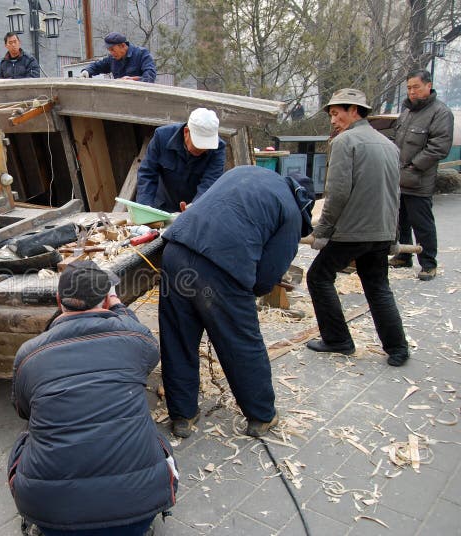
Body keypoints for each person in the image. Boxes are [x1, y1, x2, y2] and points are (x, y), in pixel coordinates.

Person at [8, 260, 177, 535]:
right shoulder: (135, 337)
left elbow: (23, 410)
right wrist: (119, 307)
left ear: (58, 299)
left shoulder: (28, 354)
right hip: (139, 515)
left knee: (25, 437)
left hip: (52, 520)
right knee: (154, 437)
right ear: (105, 300)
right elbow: (146, 351)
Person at [160, 166, 314, 439]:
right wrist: (245, 292)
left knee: (178, 338)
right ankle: (261, 415)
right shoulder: (291, 212)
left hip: (176, 249)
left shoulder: (246, 171)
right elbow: (267, 278)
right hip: (222, 267)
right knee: (241, 343)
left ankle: (182, 415)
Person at [306, 88, 410, 367]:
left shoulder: (345, 142)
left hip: (353, 231)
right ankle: (398, 348)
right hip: (381, 230)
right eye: (331, 115)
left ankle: (338, 339)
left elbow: (337, 192)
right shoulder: (389, 145)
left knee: (318, 277)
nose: (333, 120)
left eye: (336, 114)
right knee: (378, 287)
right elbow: (395, 195)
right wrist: (393, 236)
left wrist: (323, 231)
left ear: (354, 111)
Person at [389, 69, 454, 281]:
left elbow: (438, 147)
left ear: (428, 85)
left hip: (419, 178)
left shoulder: (440, 113)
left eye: (416, 87)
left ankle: (428, 263)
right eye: (408, 88)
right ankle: (403, 256)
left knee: (422, 222)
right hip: (399, 175)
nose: (412, 92)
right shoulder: (407, 112)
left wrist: (414, 166)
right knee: (399, 220)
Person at [136, 108, 226, 212]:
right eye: (199, 144)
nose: (203, 149)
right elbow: (147, 173)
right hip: (161, 207)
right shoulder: (162, 137)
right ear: (186, 132)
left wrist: (195, 207)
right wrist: (145, 207)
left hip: (194, 209)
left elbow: (210, 183)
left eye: (207, 145)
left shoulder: (218, 149)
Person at [80, 32, 156, 83]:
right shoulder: (112, 59)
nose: (111, 53)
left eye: (113, 50)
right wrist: (86, 71)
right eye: (109, 50)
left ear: (123, 46)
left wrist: (132, 80)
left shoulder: (142, 54)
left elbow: (150, 77)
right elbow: (97, 66)